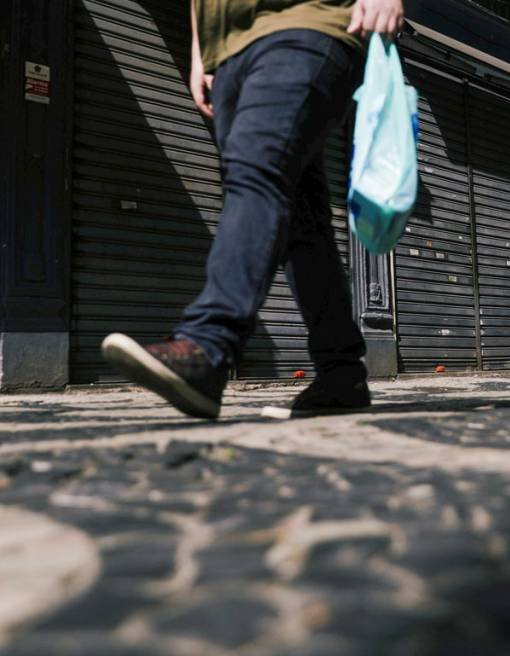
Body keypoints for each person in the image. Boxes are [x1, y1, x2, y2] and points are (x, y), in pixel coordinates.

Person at [100, 0, 405, 419]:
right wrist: (198, 55)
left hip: (309, 22)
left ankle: (208, 345)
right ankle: (341, 375)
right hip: (227, 52)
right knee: (303, 220)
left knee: (256, 171)